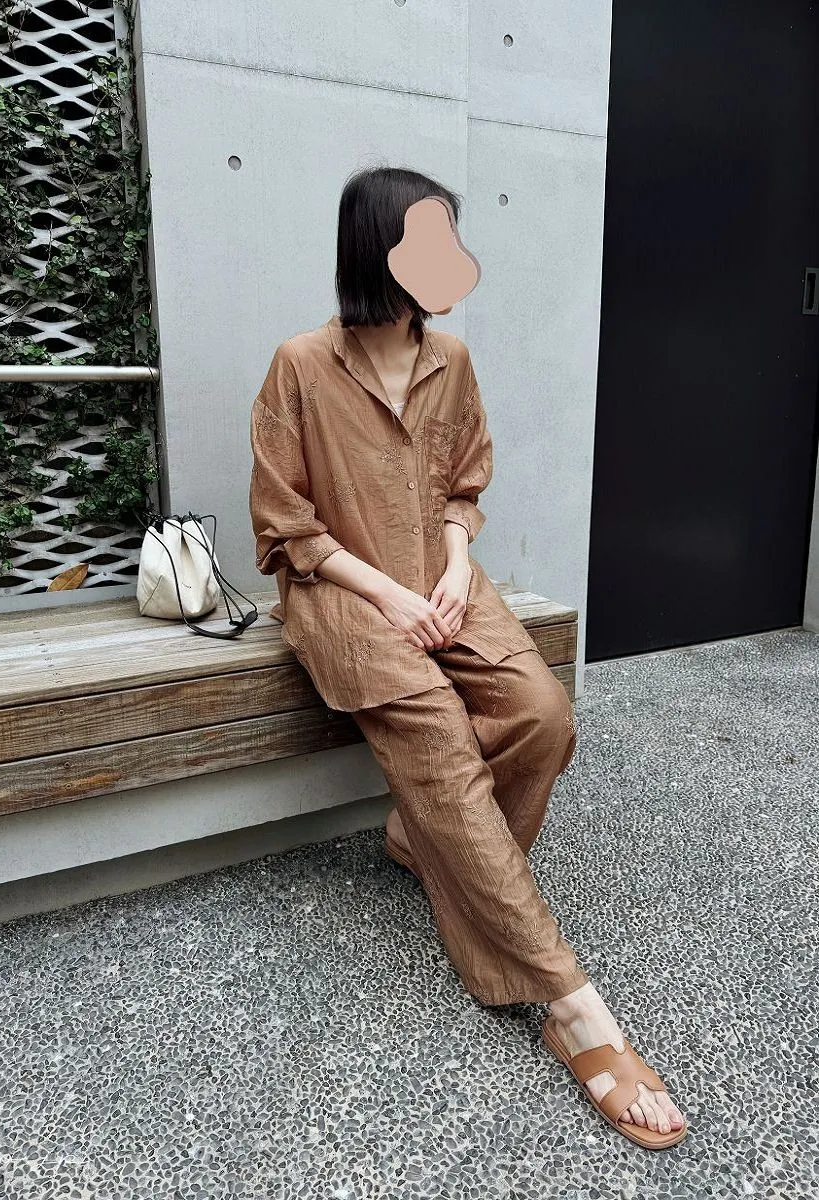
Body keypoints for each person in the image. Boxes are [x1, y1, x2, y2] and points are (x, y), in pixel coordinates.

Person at [248, 165, 687, 1149]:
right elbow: (283, 524)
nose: (451, 261)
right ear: (377, 252)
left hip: (440, 576)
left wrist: (451, 569)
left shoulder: (450, 357)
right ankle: (569, 1002)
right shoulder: (299, 365)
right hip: (343, 593)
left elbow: (461, 488)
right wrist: (391, 595)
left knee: (542, 715)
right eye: (428, 242)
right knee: (441, 743)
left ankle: (426, 845)